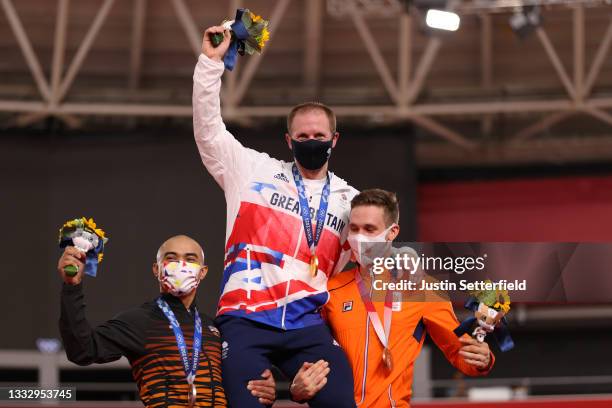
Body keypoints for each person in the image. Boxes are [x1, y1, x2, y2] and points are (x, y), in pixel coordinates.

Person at [193, 25, 358, 407]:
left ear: (334, 141)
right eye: (302, 137)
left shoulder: (350, 200)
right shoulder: (253, 171)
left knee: (339, 399)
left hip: (309, 326)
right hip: (246, 319)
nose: (311, 141)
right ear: (288, 141)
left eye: (319, 136)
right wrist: (210, 64)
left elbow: (364, 268)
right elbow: (209, 132)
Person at [290, 189, 495, 407]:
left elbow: (458, 350)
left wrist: (482, 360)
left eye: (369, 229)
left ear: (392, 232)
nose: (359, 237)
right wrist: (297, 388)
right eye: (354, 228)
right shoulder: (329, 290)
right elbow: (306, 355)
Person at [58, 234, 276, 407]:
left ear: (203, 272)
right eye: (171, 258)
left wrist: (261, 388)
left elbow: (239, 381)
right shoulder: (139, 321)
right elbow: (82, 350)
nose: (181, 265)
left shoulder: (216, 327)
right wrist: (72, 287)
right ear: (156, 269)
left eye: (190, 259)